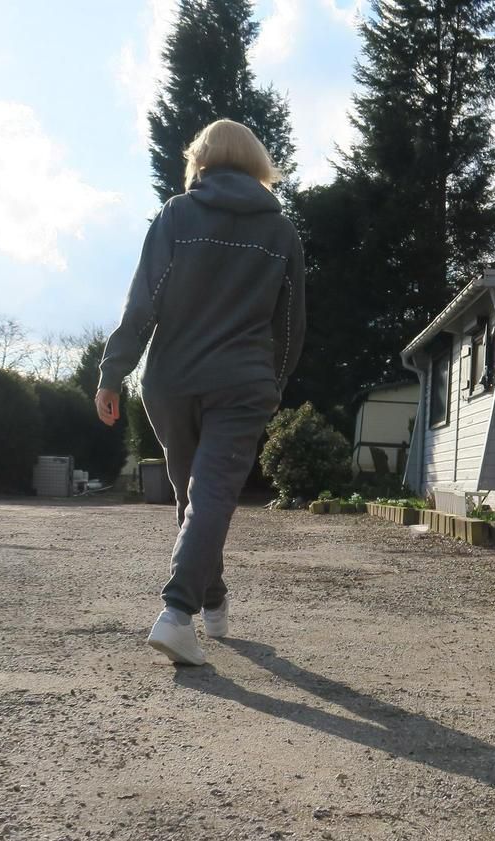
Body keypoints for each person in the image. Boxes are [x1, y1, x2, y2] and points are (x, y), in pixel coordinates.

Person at [95, 119, 305, 666]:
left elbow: (143, 301)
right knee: (207, 496)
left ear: (201, 160)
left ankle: (210, 602)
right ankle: (178, 611)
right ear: (259, 164)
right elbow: (290, 327)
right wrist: (274, 383)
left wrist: (113, 373)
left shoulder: (177, 216)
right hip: (241, 383)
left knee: (195, 497)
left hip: (171, 381)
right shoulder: (280, 232)